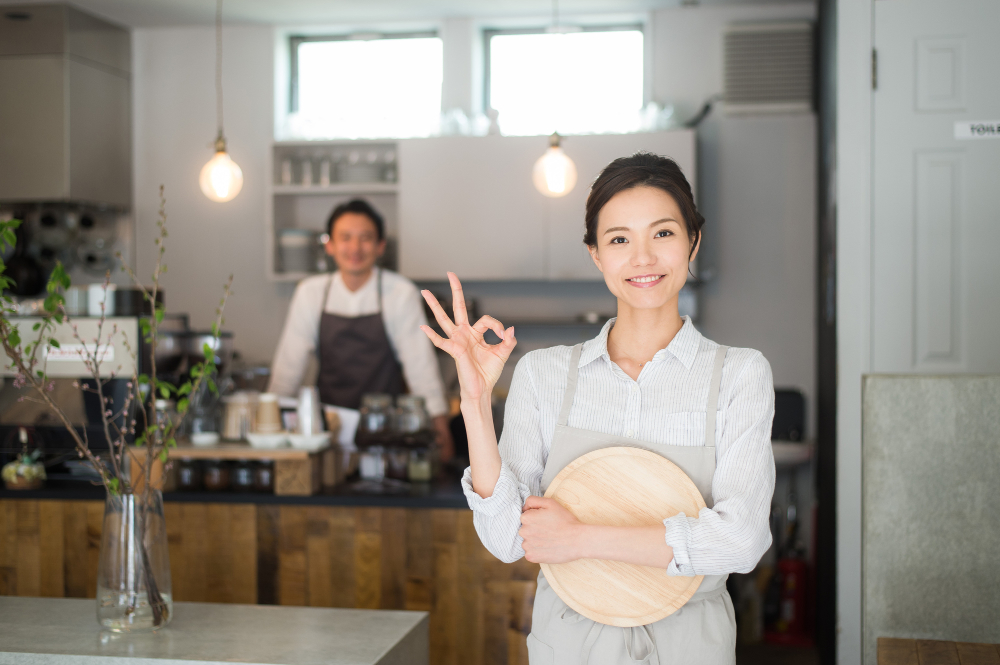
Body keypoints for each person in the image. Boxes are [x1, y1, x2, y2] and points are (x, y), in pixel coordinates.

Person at [420, 153, 774, 664]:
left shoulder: (740, 374)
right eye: (619, 239)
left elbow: (741, 541)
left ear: (693, 241)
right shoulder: (543, 373)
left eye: (663, 234)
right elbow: (506, 539)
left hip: (690, 643)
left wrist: (578, 538)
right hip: (569, 642)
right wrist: (474, 402)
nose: (643, 258)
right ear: (596, 255)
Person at [270, 199, 453, 459]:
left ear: (380, 246)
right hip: (327, 435)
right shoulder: (310, 293)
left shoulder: (400, 293)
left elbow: (421, 370)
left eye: (365, 238)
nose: (355, 247)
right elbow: (288, 370)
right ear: (329, 245)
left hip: (386, 435)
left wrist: (441, 431)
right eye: (345, 237)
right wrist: (268, 423)